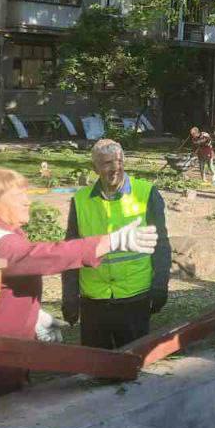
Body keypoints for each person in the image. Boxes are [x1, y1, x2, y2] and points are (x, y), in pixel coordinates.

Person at [0, 168, 159, 397]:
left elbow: (4, 283)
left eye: (26, 195)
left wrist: (32, 315)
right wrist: (111, 241)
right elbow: (42, 256)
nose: (28, 202)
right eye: (18, 198)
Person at [61, 139, 172, 348]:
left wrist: (160, 286)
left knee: (133, 366)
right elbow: (71, 250)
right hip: (93, 299)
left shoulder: (147, 194)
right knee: (96, 368)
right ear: (94, 168)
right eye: (106, 163)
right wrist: (70, 296)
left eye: (119, 161)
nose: (115, 168)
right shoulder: (80, 200)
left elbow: (161, 245)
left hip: (134, 296)